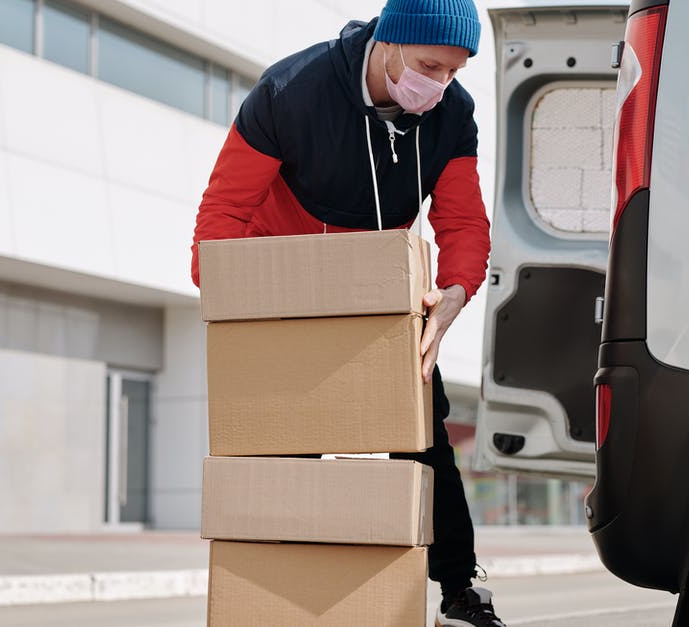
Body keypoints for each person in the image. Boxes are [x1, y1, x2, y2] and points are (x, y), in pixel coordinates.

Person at [190, 1, 500, 625]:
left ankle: (460, 591)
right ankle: (277, 597)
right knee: (284, 452)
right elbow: (220, 219)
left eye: (454, 72)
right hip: (286, 298)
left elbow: (464, 221)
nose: (439, 85)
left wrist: (454, 295)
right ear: (388, 43)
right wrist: (234, 308)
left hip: (382, 298)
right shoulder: (290, 92)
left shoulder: (452, 115)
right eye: (429, 66)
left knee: (425, 442)